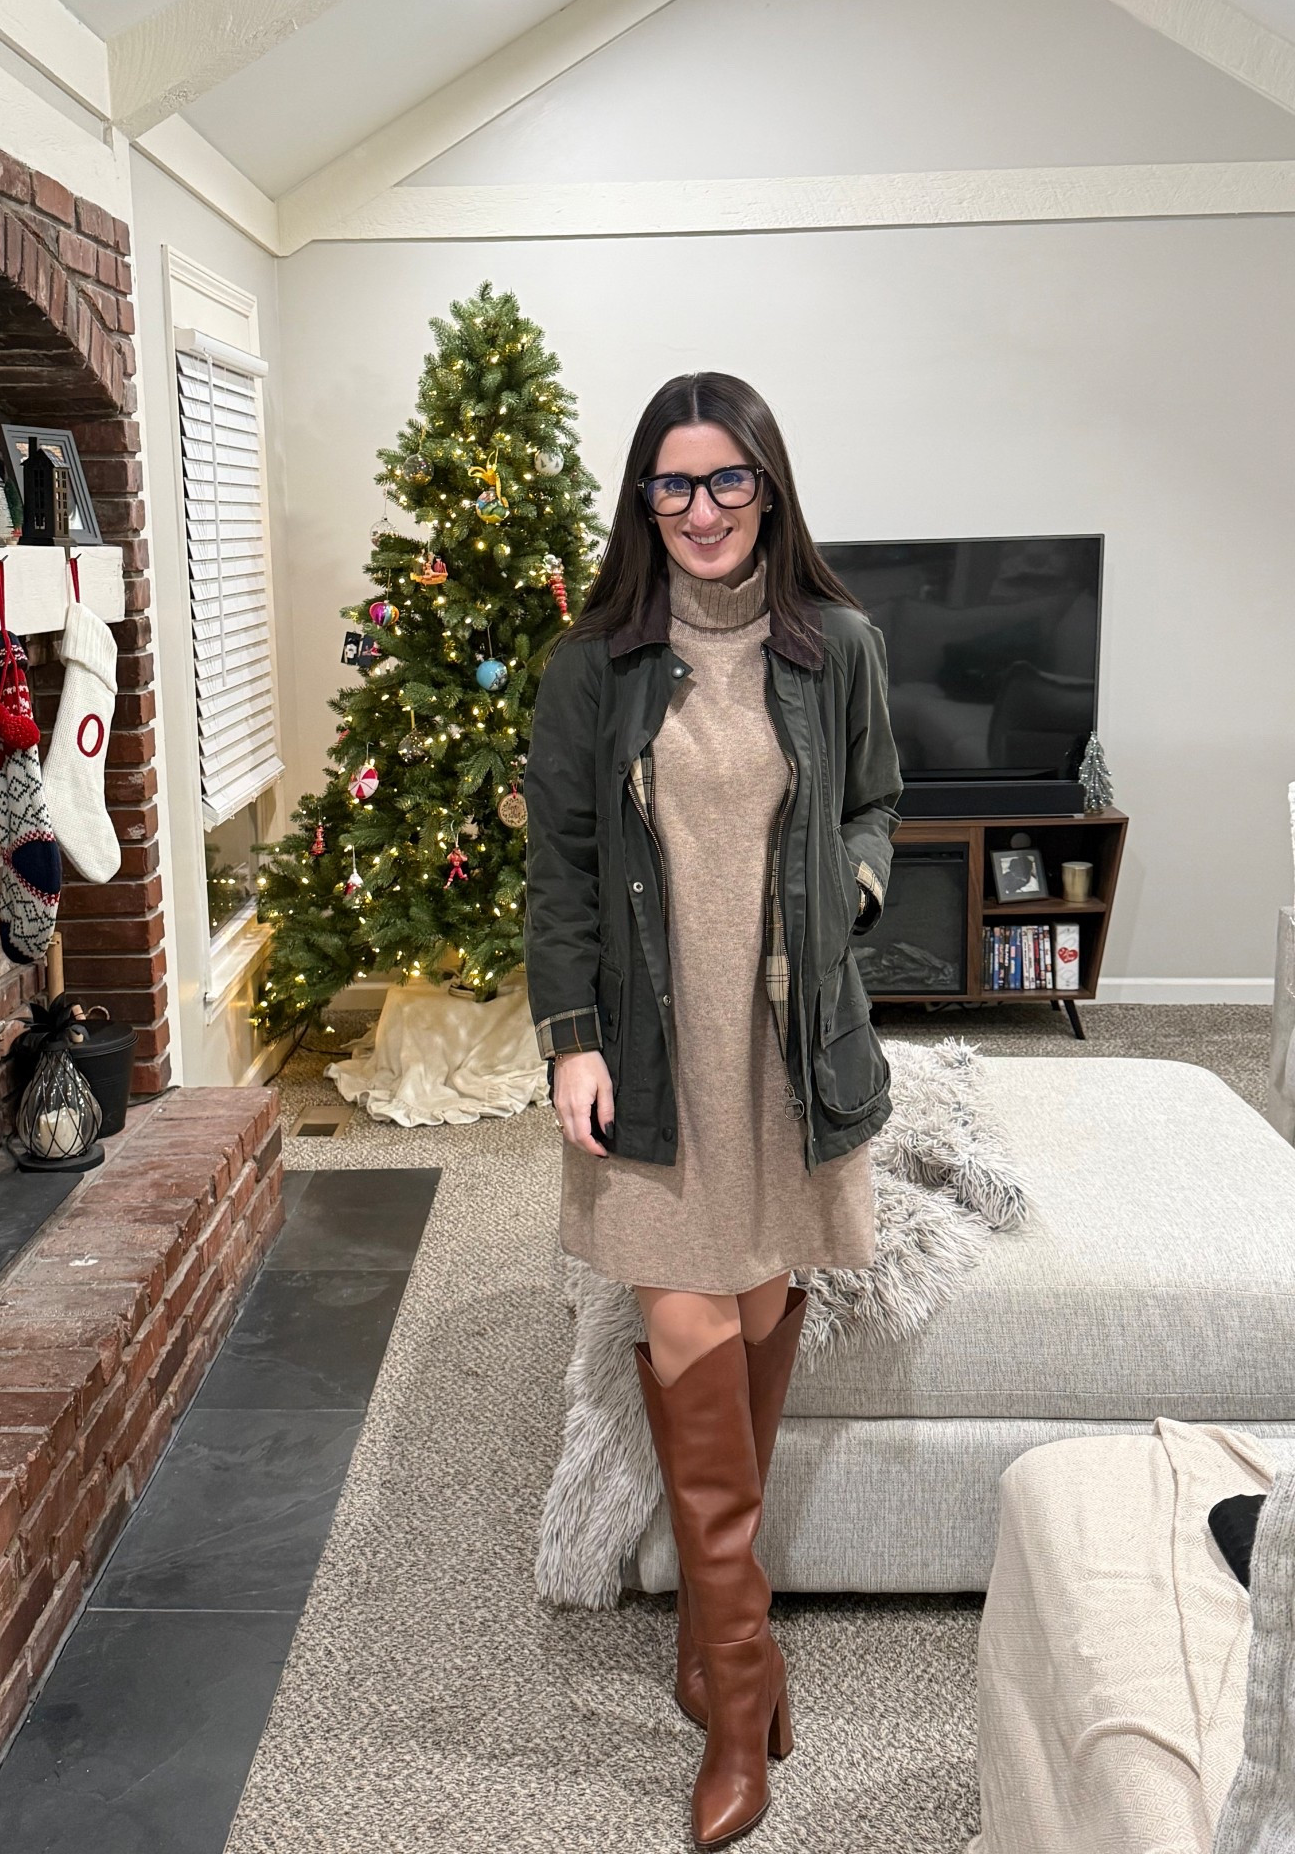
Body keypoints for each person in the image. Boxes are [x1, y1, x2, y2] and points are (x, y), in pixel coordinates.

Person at [524, 372, 901, 1850]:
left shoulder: (840, 648)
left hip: (789, 1042)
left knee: (752, 1316)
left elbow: (876, 801)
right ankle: (742, 1701)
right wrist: (569, 1041)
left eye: (725, 481)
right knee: (683, 1323)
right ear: (644, 503)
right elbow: (559, 863)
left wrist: (854, 883)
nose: (699, 512)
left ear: (769, 487)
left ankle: (702, 1636)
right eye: (671, 486)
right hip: (651, 1041)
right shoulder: (593, 665)